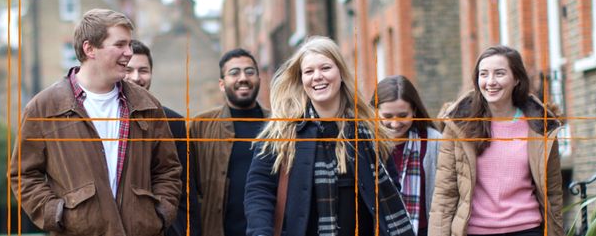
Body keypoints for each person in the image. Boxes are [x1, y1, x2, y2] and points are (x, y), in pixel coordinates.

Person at [9, 9, 183, 236]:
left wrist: (159, 214)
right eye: (120, 44)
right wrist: (56, 214)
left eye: (129, 44)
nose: (129, 52)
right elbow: (23, 174)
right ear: (89, 49)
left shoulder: (147, 105)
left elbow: (168, 169)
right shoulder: (44, 108)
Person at [244, 36, 414, 236]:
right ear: (301, 79)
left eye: (325, 68)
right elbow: (258, 191)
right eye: (309, 71)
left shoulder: (369, 132)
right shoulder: (281, 132)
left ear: (340, 73)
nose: (317, 76)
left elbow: (390, 190)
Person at [429, 45, 564, 236]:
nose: (490, 82)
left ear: (516, 79)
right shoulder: (458, 126)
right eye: (483, 74)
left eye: (499, 74)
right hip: (475, 231)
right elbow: (445, 194)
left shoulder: (540, 127)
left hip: (527, 229)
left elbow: (553, 193)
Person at [125, 39, 203, 236]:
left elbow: (186, 192)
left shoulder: (174, 122)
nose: (136, 77)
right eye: (129, 70)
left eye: (143, 70)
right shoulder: (102, 120)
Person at [189, 48, 270, 236]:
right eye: (234, 73)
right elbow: (188, 189)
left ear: (259, 78)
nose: (243, 78)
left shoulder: (279, 125)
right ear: (222, 84)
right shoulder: (201, 127)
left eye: (250, 72)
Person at [372, 75, 443, 236]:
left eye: (403, 116)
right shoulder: (365, 144)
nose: (395, 124)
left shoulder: (434, 141)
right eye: (388, 116)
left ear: (414, 110)